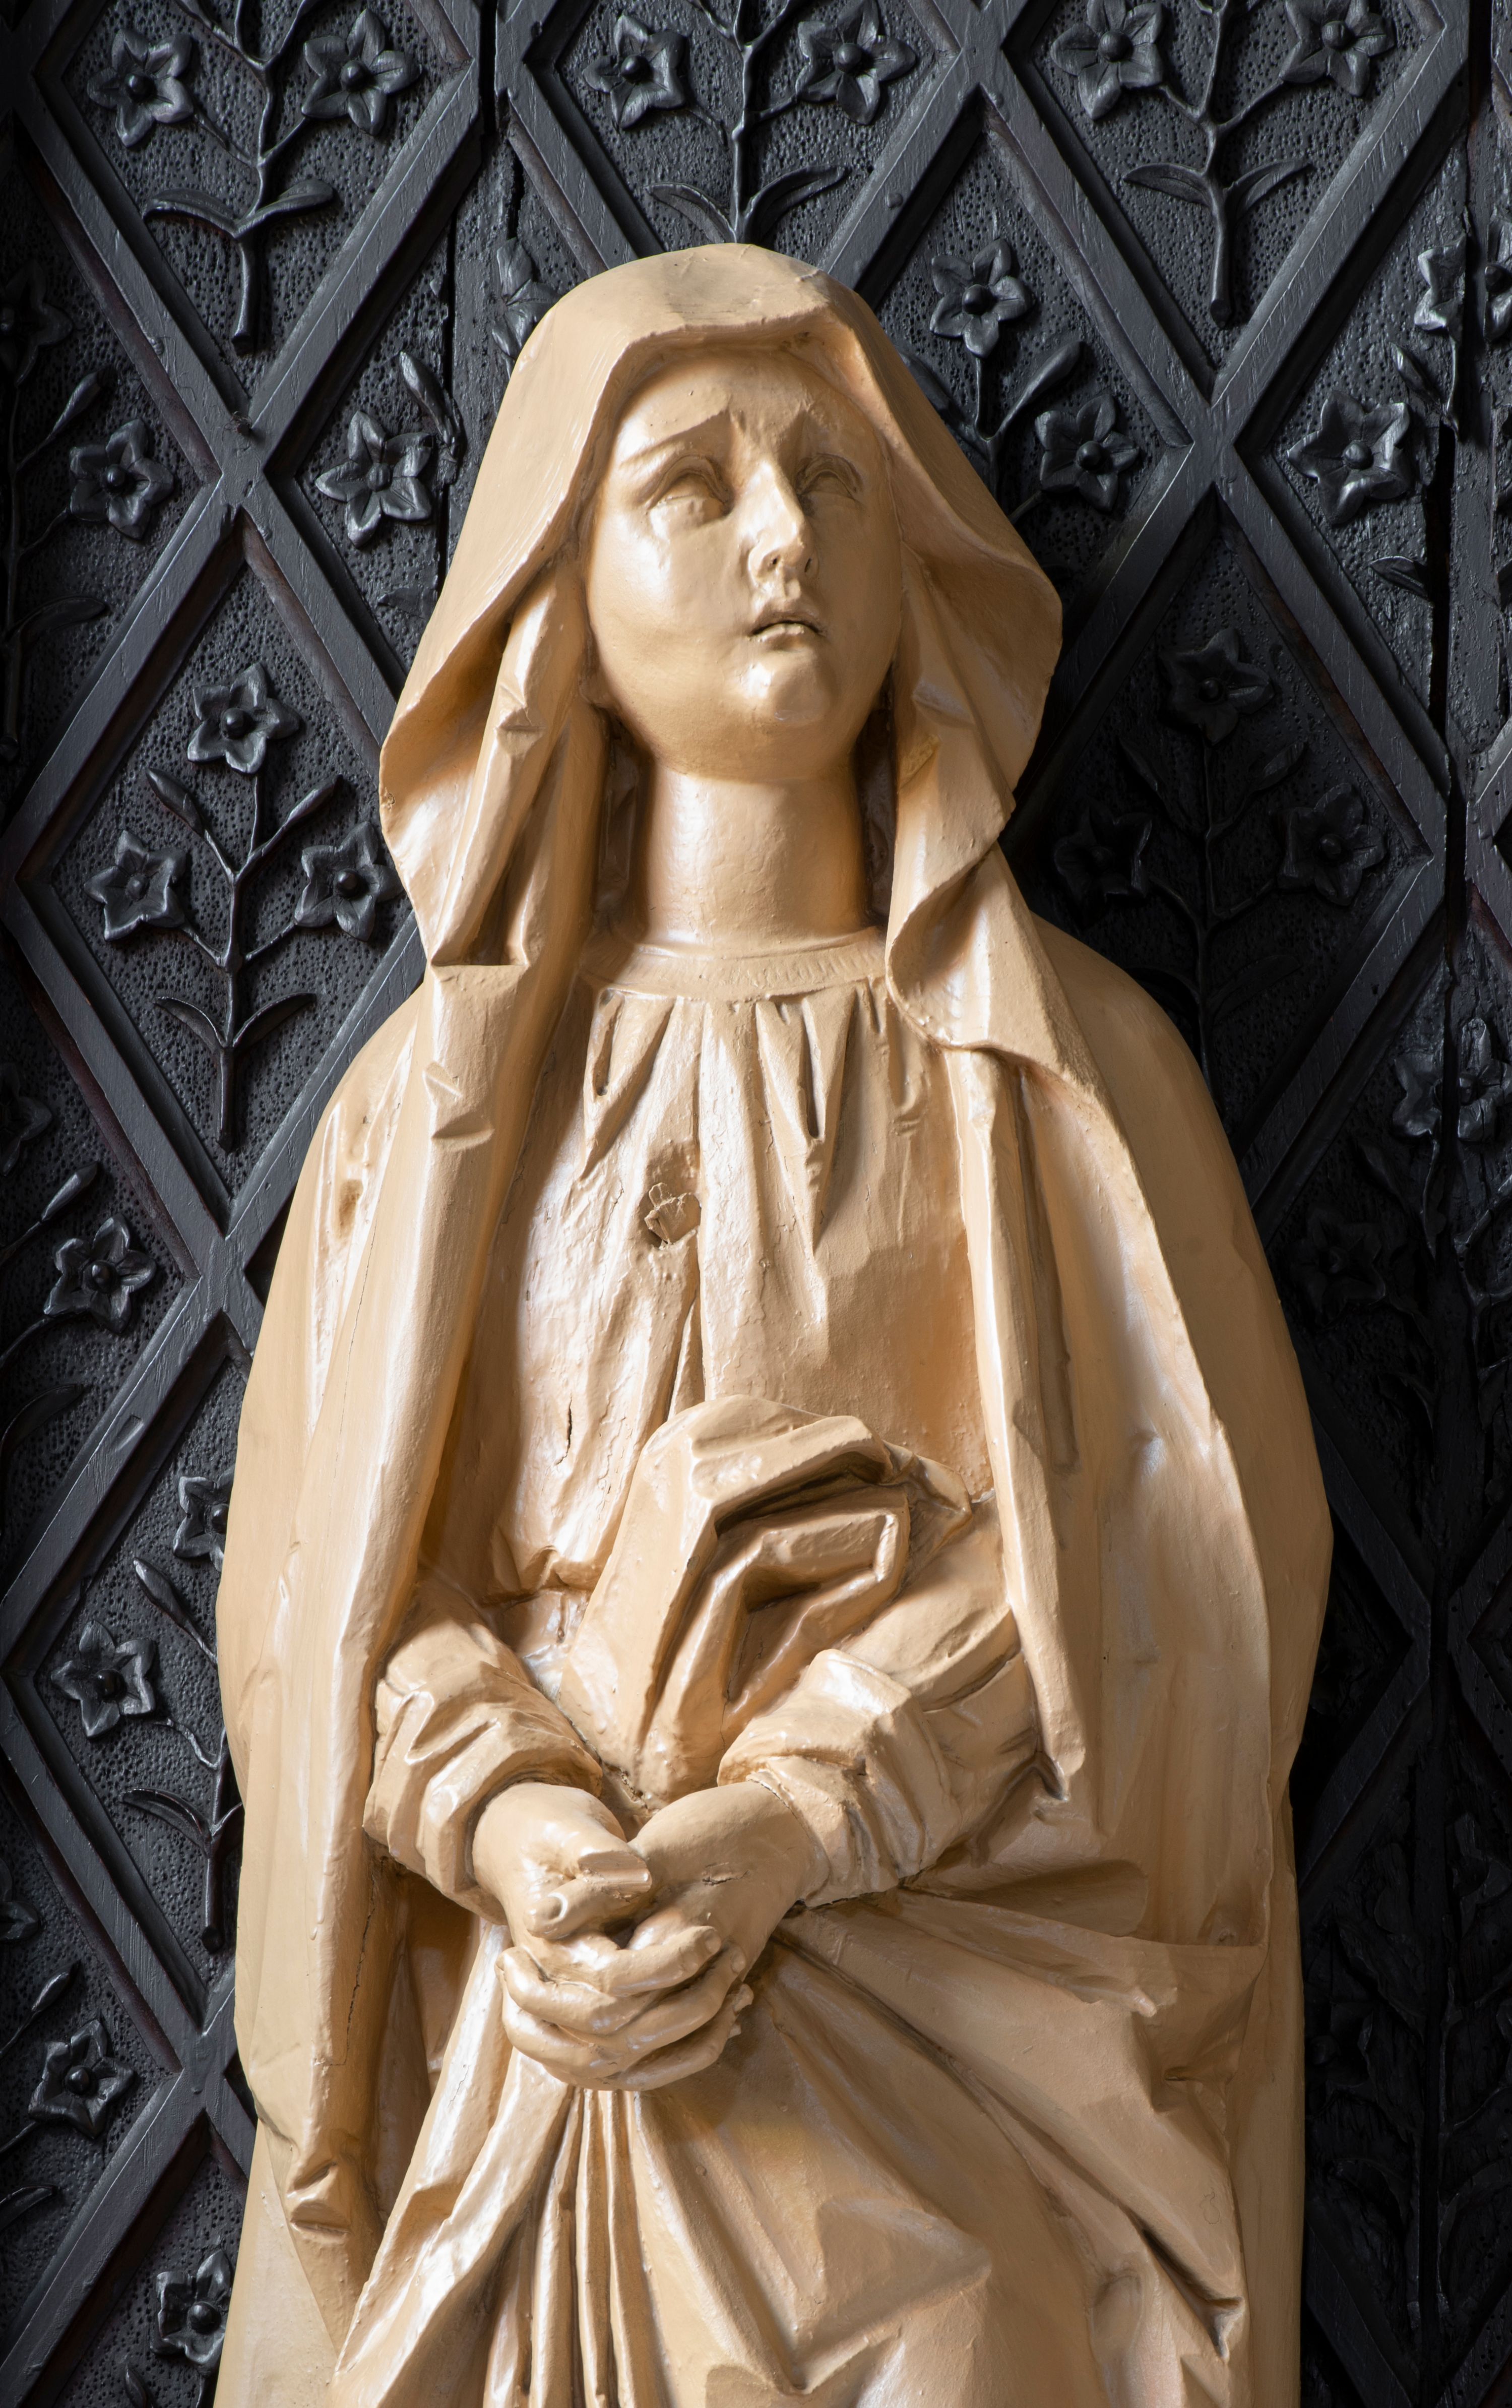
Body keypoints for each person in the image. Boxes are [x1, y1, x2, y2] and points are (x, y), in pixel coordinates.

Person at [215, 245, 1329, 2408]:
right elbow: (327, 1599)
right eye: (693, 488)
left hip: (953, 2010)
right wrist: (521, 1833)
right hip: (558, 2014)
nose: (785, 538)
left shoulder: (1069, 1077)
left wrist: (806, 1814)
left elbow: (1177, 1566)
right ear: (564, 592)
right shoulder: (435, 1115)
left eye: (831, 479)